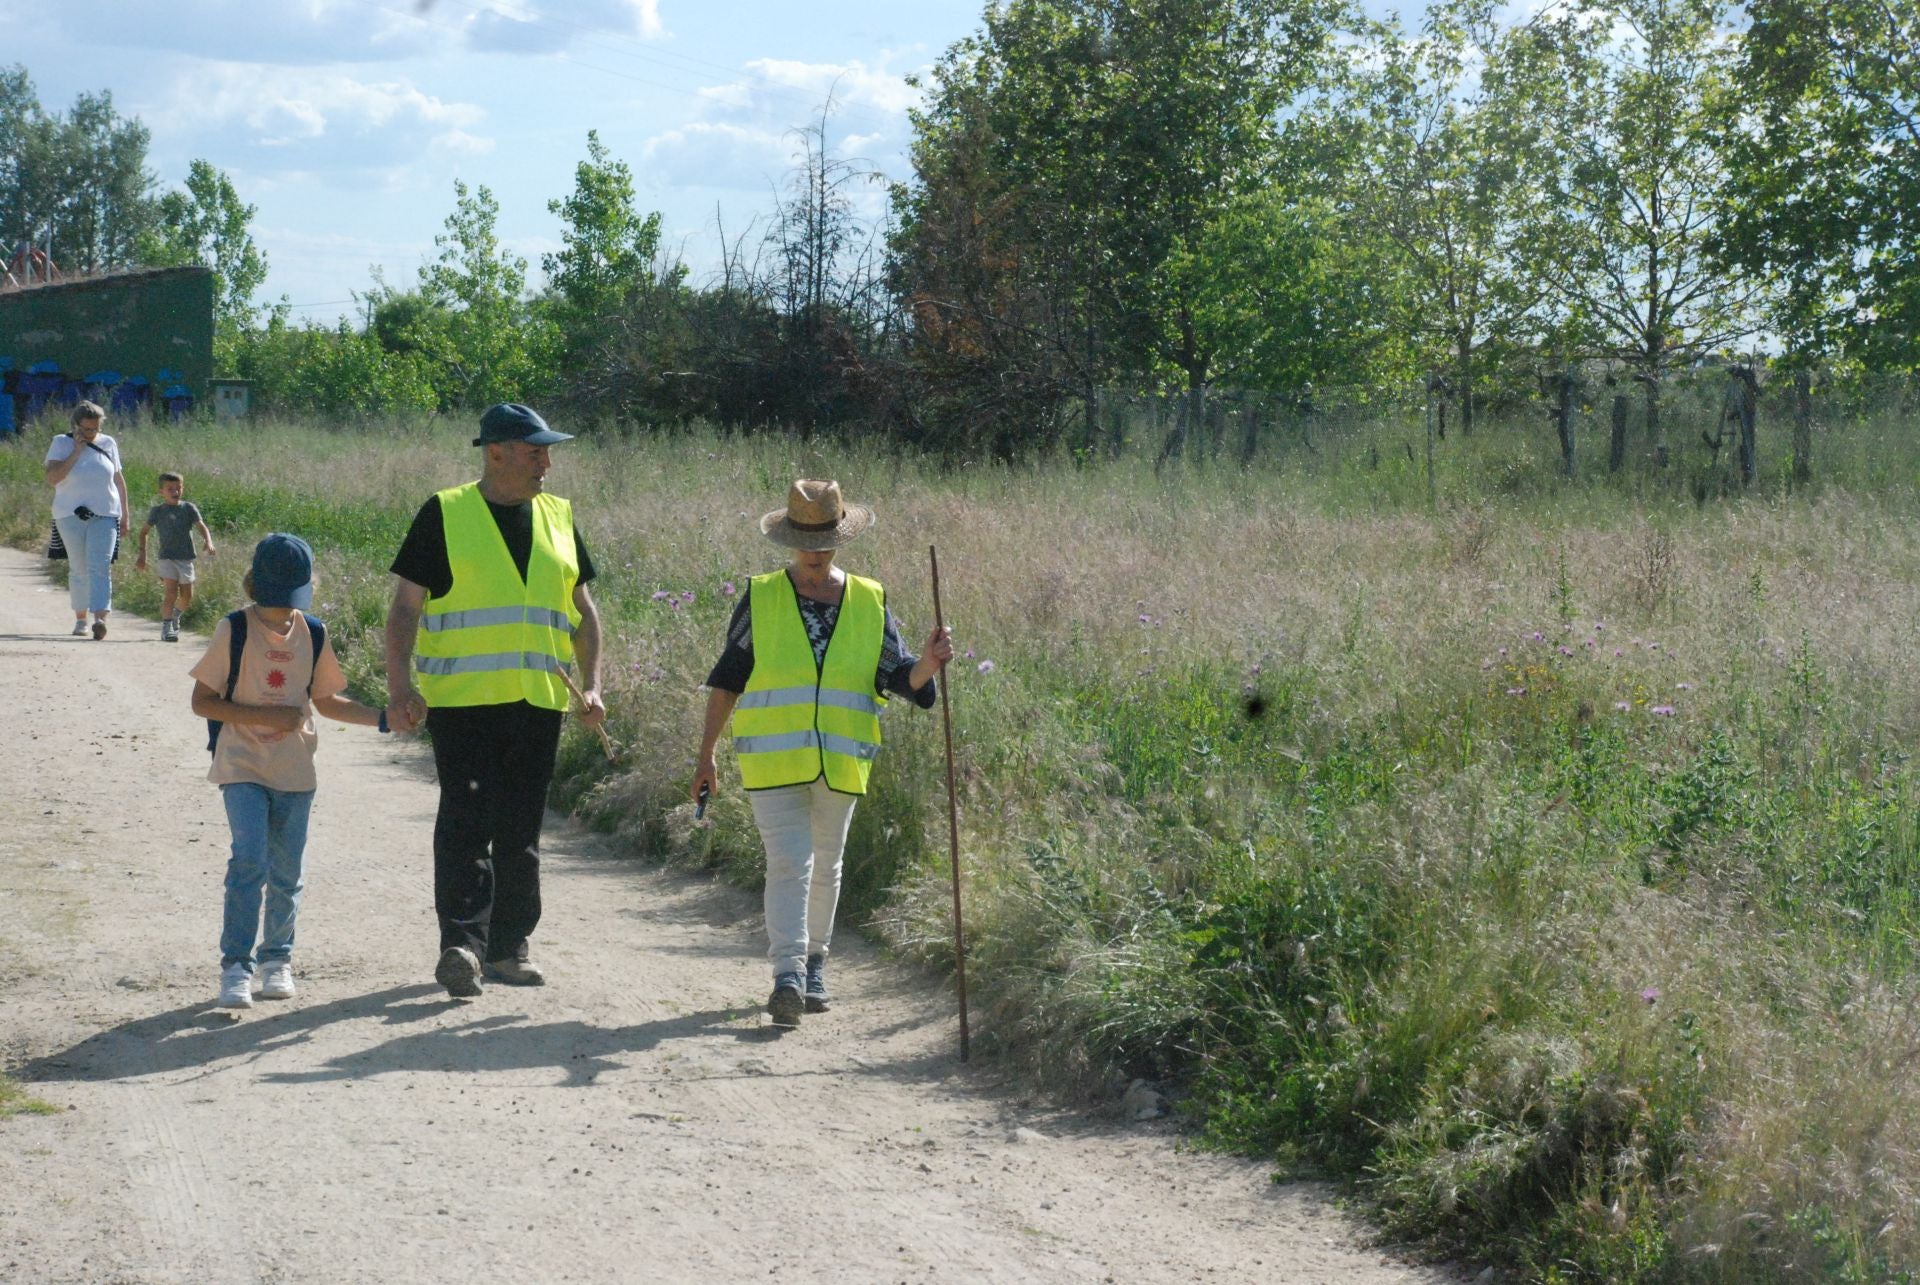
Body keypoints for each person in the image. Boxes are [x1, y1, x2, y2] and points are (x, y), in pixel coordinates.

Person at [692, 479, 953, 1028]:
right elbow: (727, 681)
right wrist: (706, 756)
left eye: (823, 542)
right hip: (772, 759)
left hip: (842, 758)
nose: (813, 554)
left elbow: (899, 676)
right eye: (804, 541)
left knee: (827, 868)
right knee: (790, 863)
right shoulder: (761, 596)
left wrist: (928, 664)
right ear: (788, 540)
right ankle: (786, 975)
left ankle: (814, 965)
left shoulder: (870, 598)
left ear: (839, 541)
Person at [384, 403, 607, 999]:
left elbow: (583, 613)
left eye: (547, 451)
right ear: (497, 453)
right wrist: (400, 686)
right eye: (536, 452)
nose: (546, 463)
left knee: (522, 830)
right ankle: (461, 945)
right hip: (463, 703)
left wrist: (592, 684)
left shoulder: (559, 515)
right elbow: (406, 608)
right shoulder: (445, 512)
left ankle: (509, 948)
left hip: (537, 701)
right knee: (465, 821)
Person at [189, 534, 388, 1009]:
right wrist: (266, 717)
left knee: (287, 872)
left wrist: (383, 718)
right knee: (250, 861)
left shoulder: (314, 632)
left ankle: (278, 959)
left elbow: (326, 702)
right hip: (241, 765)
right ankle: (236, 966)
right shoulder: (233, 629)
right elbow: (202, 702)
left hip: (295, 771)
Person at [43, 401, 129, 640]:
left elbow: (119, 480)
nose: (91, 434)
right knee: (79, 568)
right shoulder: (61, 443)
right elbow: (53, 478)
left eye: (95, 429)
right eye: (86, 429)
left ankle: (100, 618)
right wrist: (77, 451)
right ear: (76, 426)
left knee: (100, 566)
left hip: (106, 513)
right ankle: (80, 617)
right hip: (69, 514)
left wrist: (125, 516)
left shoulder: (109, 443)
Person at [135, 470, 217, 642]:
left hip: (185, 558)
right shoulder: (157, 511)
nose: (175, 492)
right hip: (166, 558)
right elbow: (143, 532)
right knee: (170, 593)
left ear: (183, 489)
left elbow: (201, 526)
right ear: (161, 492)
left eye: (178, 488)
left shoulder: (188, 508)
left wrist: (208, 541)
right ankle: (167, 628)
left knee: (187, 596)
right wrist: (142, 555)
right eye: (170, 488)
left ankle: (175, 616)